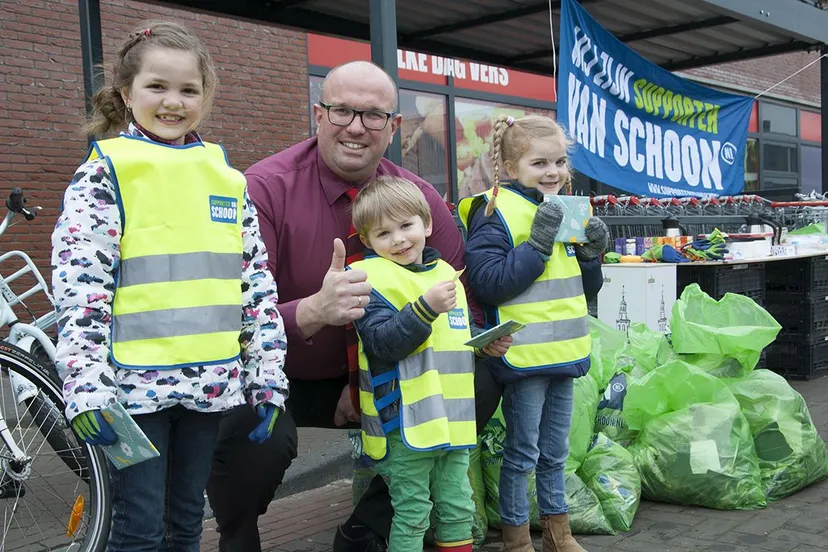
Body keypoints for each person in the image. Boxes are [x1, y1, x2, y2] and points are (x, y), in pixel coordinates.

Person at [206, 60, 504, 552]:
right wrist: (313, 310)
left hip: (393, 378)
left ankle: (372, 524)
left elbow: (463, 299)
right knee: (245, 428)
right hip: (286, 375)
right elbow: (226, 317)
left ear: (394, 127)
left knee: (483, 379)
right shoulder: (262, 189)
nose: (356, 128)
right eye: (343, 111)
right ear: (319, 115)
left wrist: (483, 339)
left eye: (373, 116)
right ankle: (239, 536)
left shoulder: (419, 200)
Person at [51, 21, 288, 552]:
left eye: (188, 89)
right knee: (136, 529)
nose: (173, 102)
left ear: (206, 96)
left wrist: (267, 375)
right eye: (157, 87)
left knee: (185, 523)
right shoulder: (105, 172)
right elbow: (81, 287)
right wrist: (86, 384)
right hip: (131, 391)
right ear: (125, 93)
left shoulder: (226, 176)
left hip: (207, 387)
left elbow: (254, 284)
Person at [458, 115, 608, 552]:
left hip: (565, 352)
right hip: (522, 357)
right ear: (508, 167)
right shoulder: (493, 211)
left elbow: (585, 288)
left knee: (555, 454)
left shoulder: (570, 209)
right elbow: (488, 282)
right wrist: (537, 245)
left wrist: (592, 256)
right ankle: (517, 540)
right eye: (539, 162)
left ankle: (559, 536)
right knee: (522, 454)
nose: (553, 172)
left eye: (560, 161)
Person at [349, 175, 512, 552]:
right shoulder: (367, 280)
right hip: (405, 426)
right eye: (384, 233)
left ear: (427, 224)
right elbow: (383, 342)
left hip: (453, 423)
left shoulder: (445, 275)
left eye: (406, 226)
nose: (399, 239)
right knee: (412, 513)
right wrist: (424, 309)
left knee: (459, 510)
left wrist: (484, 346)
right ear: (367, 241)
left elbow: (456, 336)